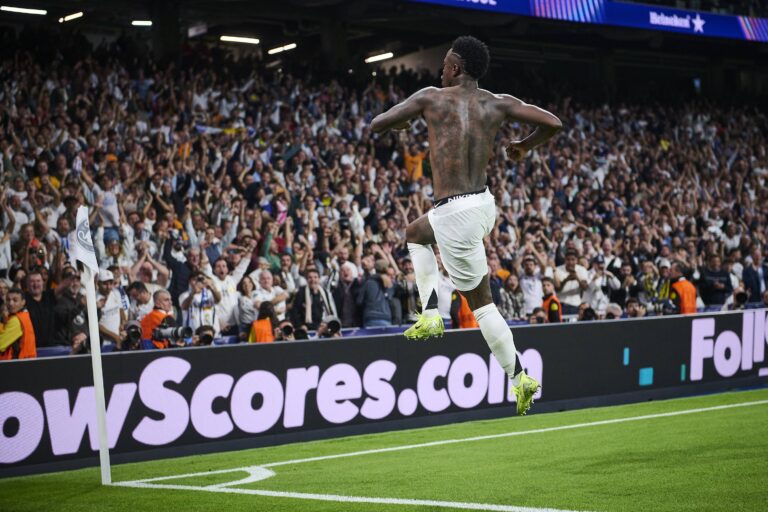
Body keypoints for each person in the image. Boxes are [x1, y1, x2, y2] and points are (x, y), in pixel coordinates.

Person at [371, 35, 561, 414]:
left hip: (454, 212)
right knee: (415, 232)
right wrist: (524, 145)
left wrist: (399, 125)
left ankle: (516, 375)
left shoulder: (430, 98)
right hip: (482, 205)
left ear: (456, 68)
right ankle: (430, 314)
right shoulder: (498, 103)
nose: (440, 70)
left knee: (483, 305)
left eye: (444, 64)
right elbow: (553, 123)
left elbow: (378, 123)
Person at [0, 288, 36, 359]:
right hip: (25, 364)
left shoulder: (16, 320)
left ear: (23, 302)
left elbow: (1, 344)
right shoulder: (23, 315)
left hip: (18, 366)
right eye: (8, 300)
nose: (10, 303)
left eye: (15, 300)